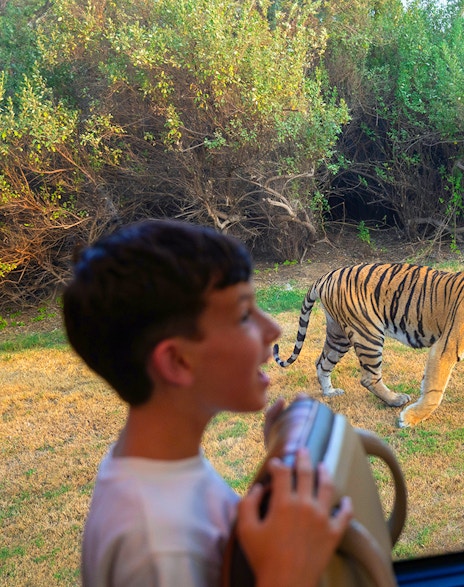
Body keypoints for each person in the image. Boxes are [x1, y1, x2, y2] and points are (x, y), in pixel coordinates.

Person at [62, 218, 353, 587]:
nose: (274, 329)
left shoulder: (162, 469)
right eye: (245, 314)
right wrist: (288, 574)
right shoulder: (159, 548)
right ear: (178, 362)